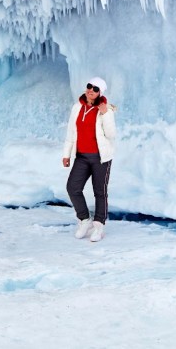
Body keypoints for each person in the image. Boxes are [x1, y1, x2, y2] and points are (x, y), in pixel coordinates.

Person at [62, 76, 116, 242]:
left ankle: (99, 226)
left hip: (101, 158)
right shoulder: (77, 107)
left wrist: (105, 114)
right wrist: (66, 154)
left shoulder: (106, 110)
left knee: (100, 192)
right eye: (89, 86)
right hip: (82, 157)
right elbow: (71, 133)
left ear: (100, 92)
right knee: (73, 187)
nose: (91, 90)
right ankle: (84, 220)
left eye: (95, 89)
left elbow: (111, 135)